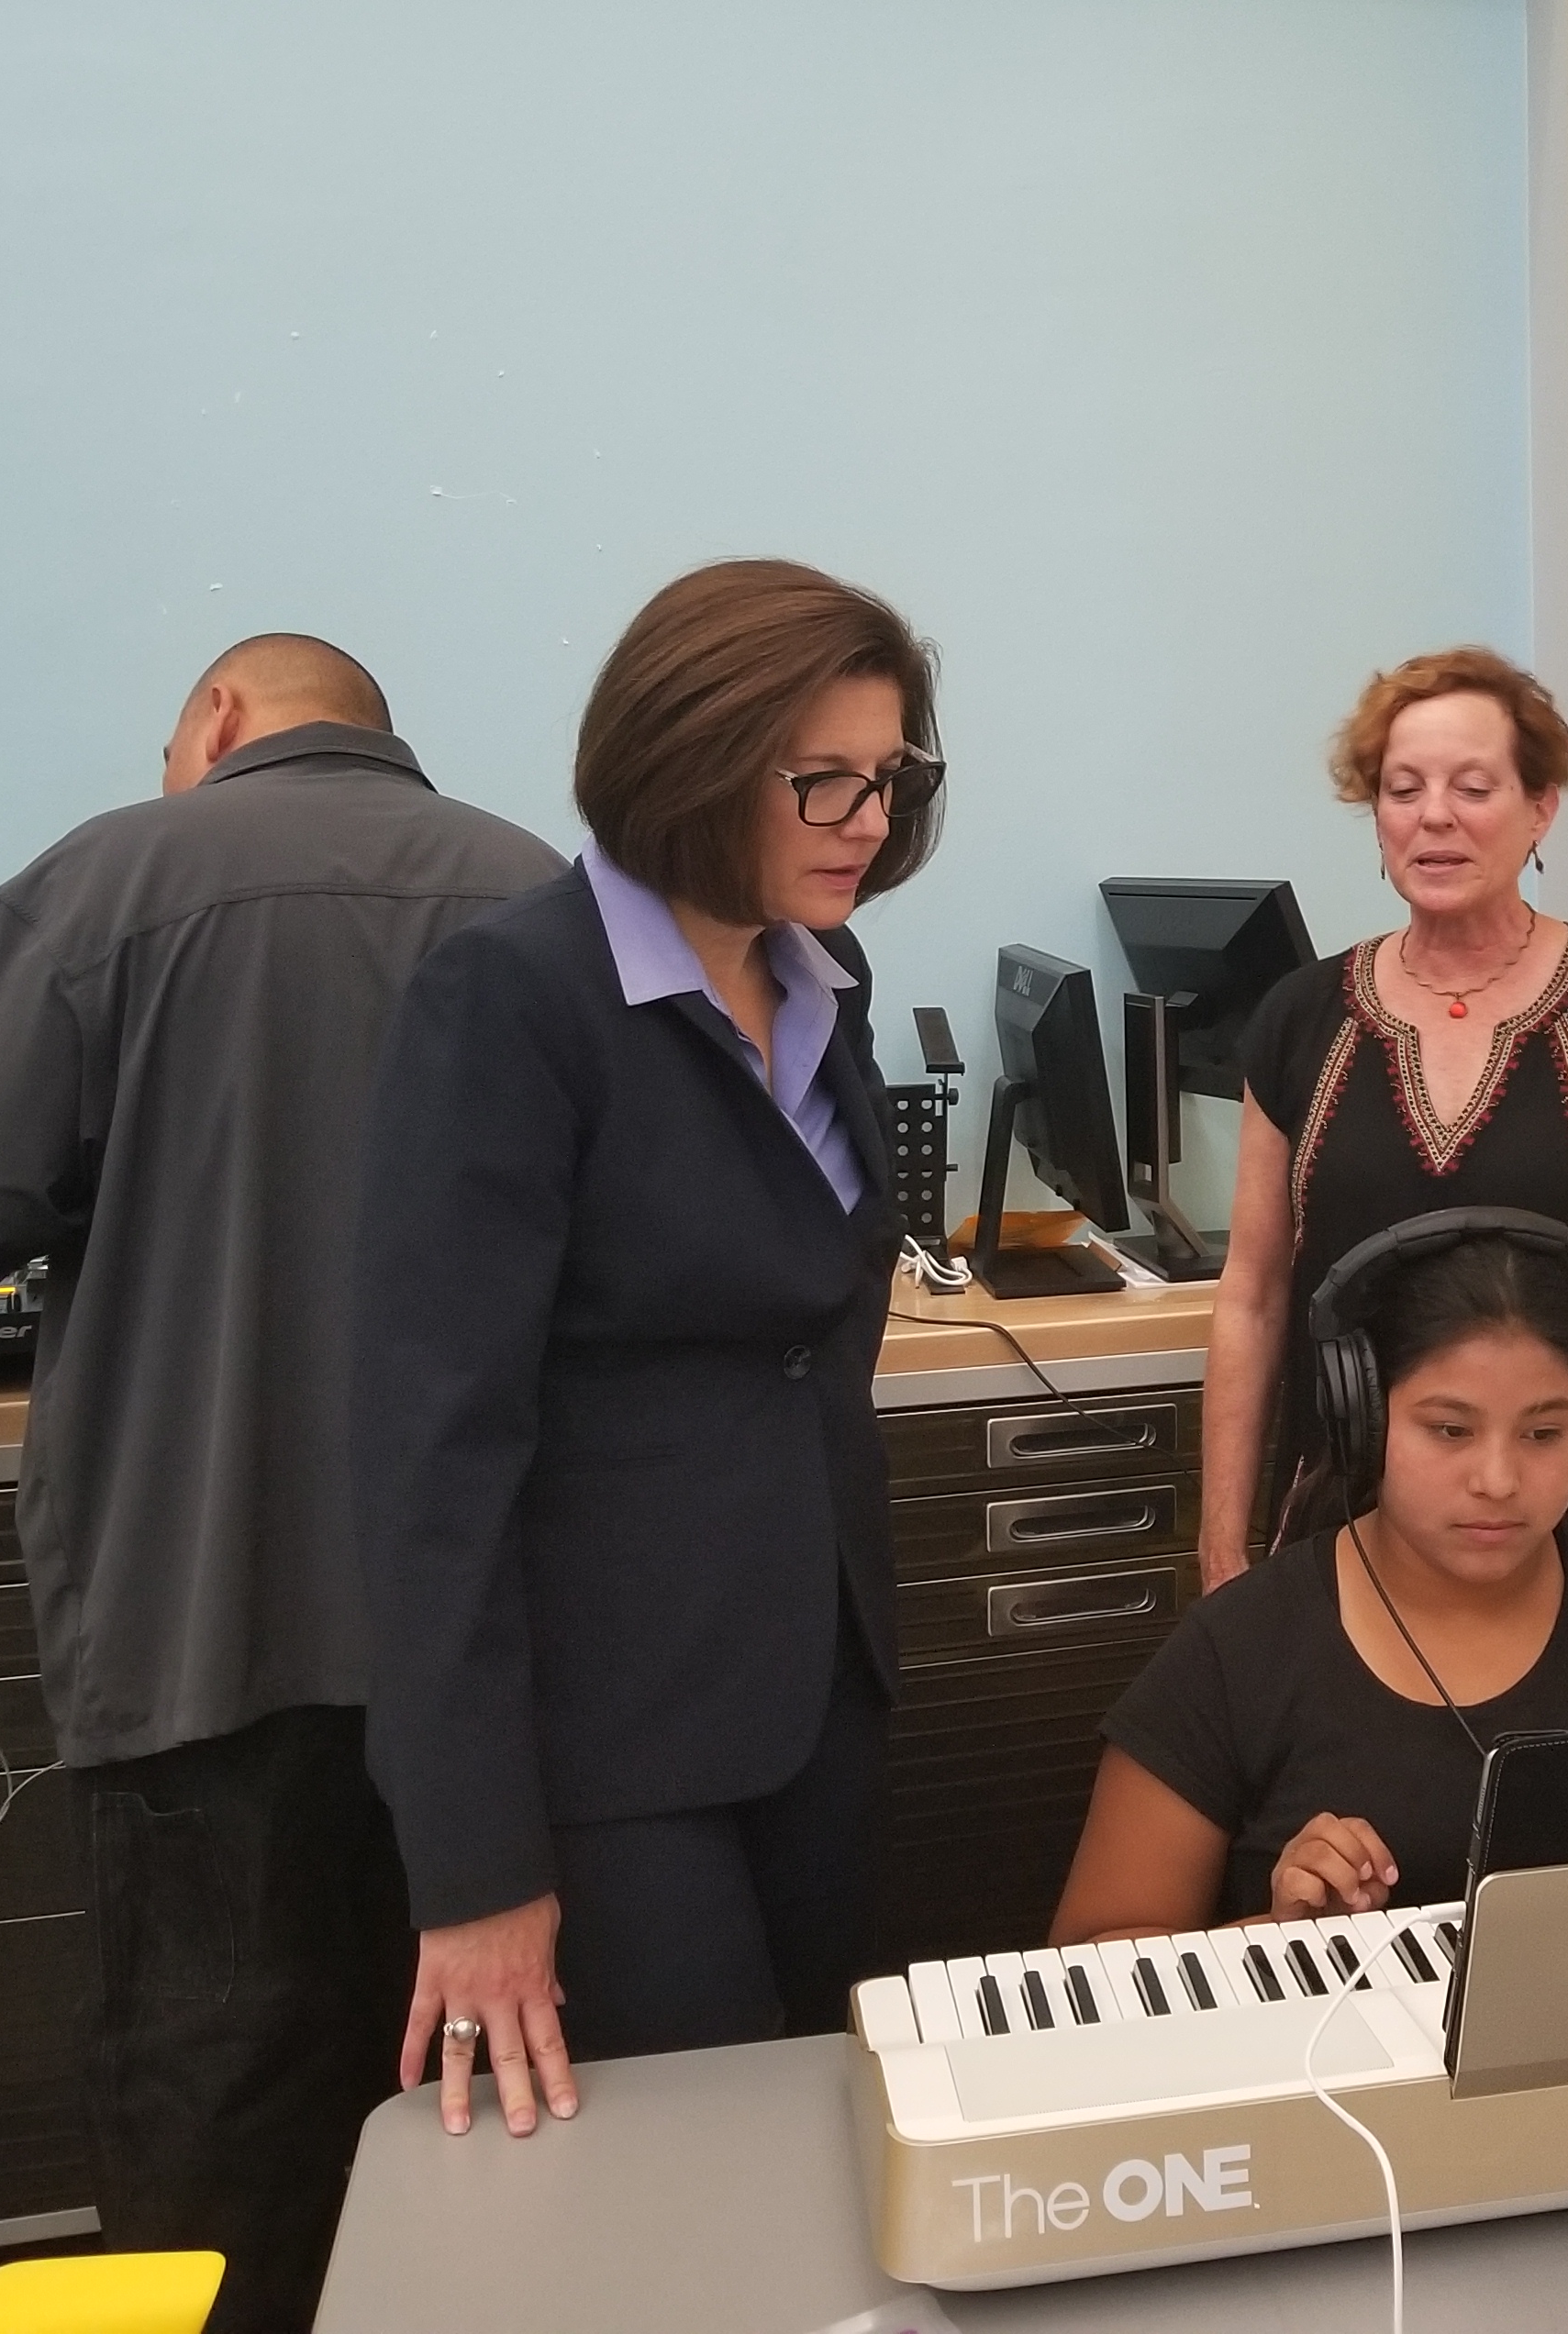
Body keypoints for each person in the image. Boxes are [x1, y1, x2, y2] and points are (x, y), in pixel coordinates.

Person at [0, 636, 560, 2333]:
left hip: (205, 1622)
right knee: (494, 2090)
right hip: (499, 1641)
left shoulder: (93, 884)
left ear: (220, 721)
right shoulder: (544, 893)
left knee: (213, 2114)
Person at [353, 559, 940, 2142]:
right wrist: (473, 1862)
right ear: (685, 751)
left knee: (819, 2135)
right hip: (606, 1732)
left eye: (887, 778)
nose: (864, 817)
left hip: (811, 1677)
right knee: (679, 2173)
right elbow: (429, 1451)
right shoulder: (514, 994)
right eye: (820, 777)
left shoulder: (823, 976)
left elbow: (805, 1330)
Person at [1195, 646, 1568, 1652]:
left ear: (1541, 807)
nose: (1435, 817)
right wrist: (1221, 1556)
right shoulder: (1296, 1020)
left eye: (1474, 787)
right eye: (1403, 789)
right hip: (1344, 1543)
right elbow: (1250, 1296)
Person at [1057, 1210, 1568, 1939]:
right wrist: (1277, 1933)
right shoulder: (1240, 1648)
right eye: (1450, 1430)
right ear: (1365, 1422)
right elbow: (1092, 1952)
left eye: (1544, 1433)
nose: (1498, 1480)